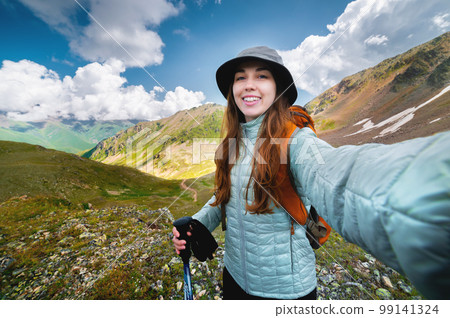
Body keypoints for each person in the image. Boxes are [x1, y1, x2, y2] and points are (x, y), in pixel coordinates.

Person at [172, 46, 450, 300]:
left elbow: (338, 176)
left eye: (262, 76)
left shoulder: (297, 141)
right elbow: (224, 197)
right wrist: (197, 223)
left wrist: (424, 203)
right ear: (232, 90)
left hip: (286, 291)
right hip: (233, 277)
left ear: (278, 88)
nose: (249, 85)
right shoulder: (231, 145)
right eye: (240, 78)